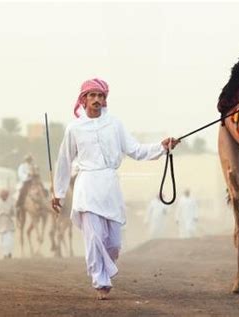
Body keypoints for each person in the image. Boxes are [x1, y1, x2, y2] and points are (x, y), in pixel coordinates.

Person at [51, 78, 179, 300]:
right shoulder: (74, 128)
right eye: (92, 96)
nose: (97, 100)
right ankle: (100, 280)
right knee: (94, 238)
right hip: (87, 187)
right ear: (83, 99)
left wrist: (162, 146)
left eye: (100, 96)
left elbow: (136, 150)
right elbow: (64, 160)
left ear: (105, 99)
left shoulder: (115, 124)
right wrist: (58, 192)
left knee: (114, 243)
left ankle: (103, 270)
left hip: (110, 186)